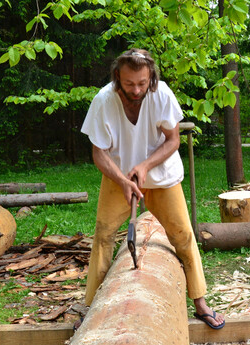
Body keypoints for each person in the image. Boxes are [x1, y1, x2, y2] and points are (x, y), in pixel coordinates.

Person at [81, 48, 225, 330]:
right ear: (117, 78)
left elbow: (173, 141)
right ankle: (89, 308)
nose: (136, 90)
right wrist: (124, 181)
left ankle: (200, 302)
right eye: (129, 83)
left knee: (183, 235)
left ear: (151, 78)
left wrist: (145, 166)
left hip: (162, 176)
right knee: (103, 235)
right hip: (118, 177)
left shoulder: (162, 95)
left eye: (142, 83)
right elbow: (99, 153)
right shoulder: (103, 101)